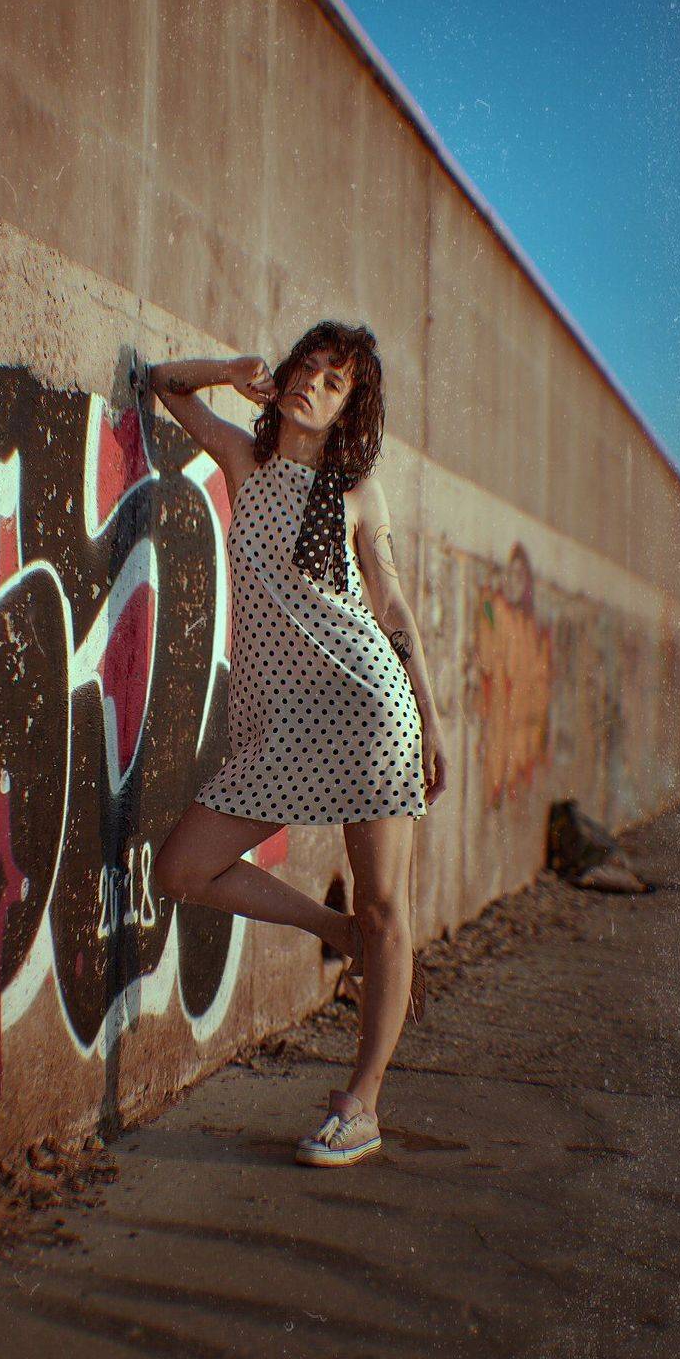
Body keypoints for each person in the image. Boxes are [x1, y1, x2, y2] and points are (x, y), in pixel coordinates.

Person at [149, 322, 448, 1167]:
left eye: (333, 381)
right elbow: (165, 384)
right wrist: (225, 370)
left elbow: (390, 606)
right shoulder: (243, 460)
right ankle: (336, 933)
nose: (312, 384)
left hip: (367, 709)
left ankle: (361, 1105)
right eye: (306, 367)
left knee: (385, 905)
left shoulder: (357, 492)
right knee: (181, 870)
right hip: (280, 728)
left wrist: (429, 716)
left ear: (350, 408)